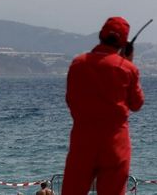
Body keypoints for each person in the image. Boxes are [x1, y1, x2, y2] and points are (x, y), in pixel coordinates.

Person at [60, 17, 144, 195]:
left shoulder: (78, 64)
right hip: (115, 143)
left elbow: (70, 99)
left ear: (100, 35)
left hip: (83, 140)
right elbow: (136, 104)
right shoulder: (127, 69)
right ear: (124, 42)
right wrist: (128, 61)